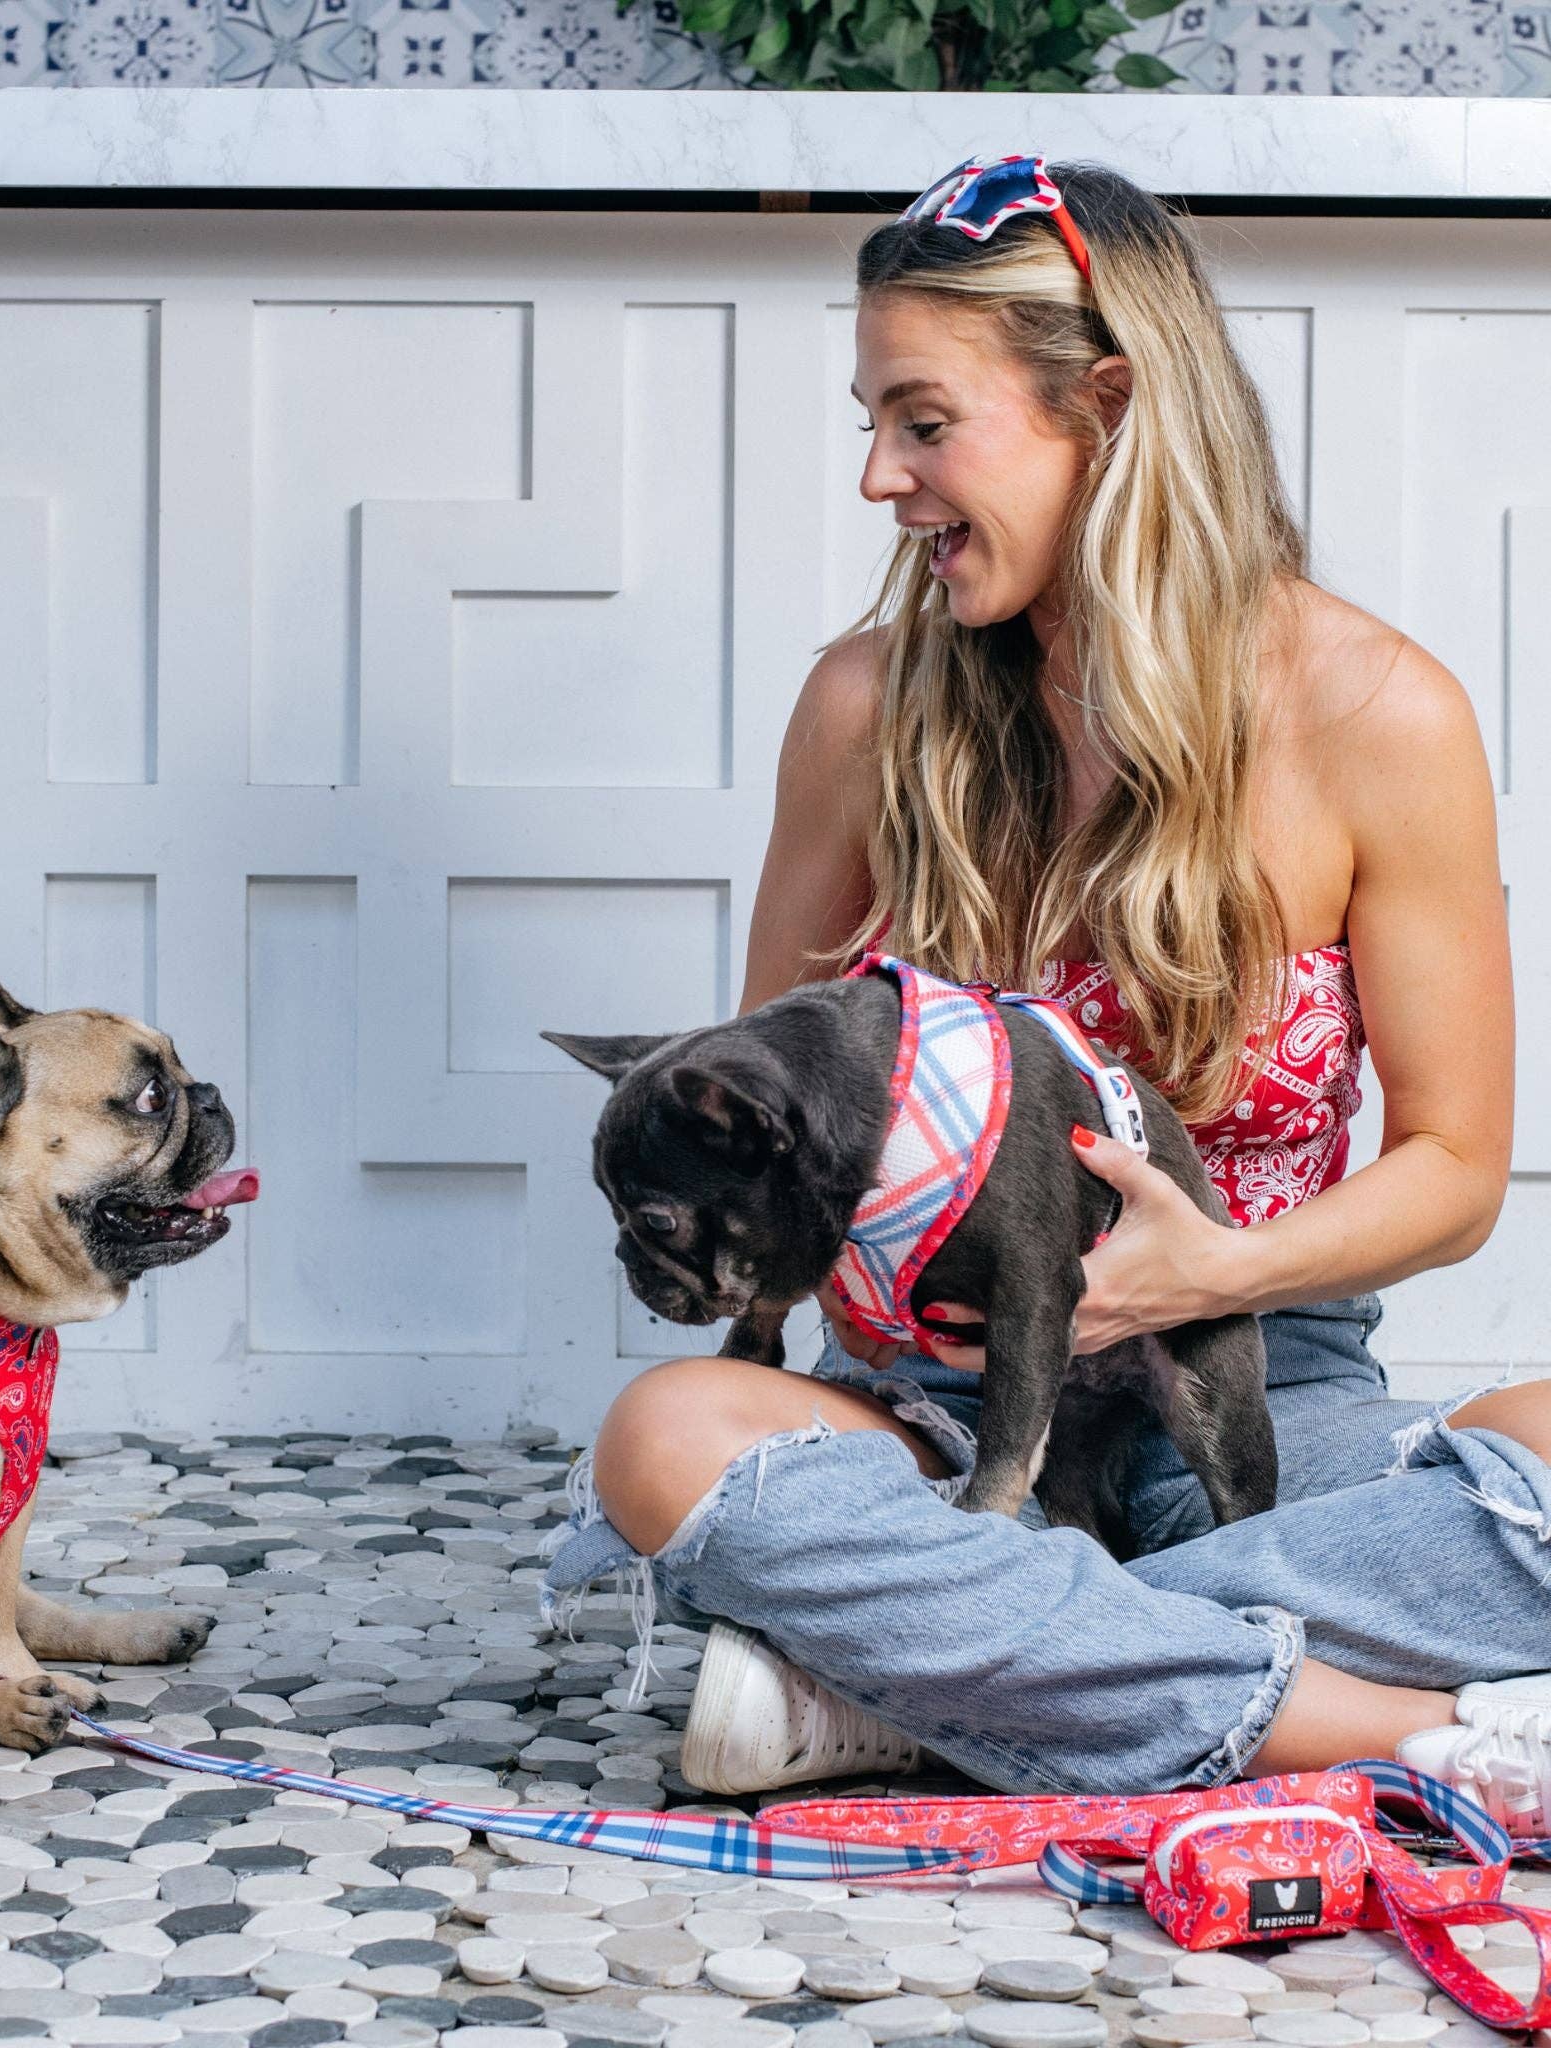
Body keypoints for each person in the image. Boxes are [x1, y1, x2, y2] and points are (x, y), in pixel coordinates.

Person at [542, 156, 1551, 1827]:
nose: (880, 477)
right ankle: (1384, 1731)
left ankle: (915, 1681)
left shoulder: (1380, 710)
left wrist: (1211, 1269)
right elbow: (773, 1133)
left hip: (1265, 1399)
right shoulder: (868, 708)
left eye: (923, 422)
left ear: (1106, 404)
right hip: (948, 1424)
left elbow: (1452, 1172)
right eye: (869, 422)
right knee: (667, 1435)